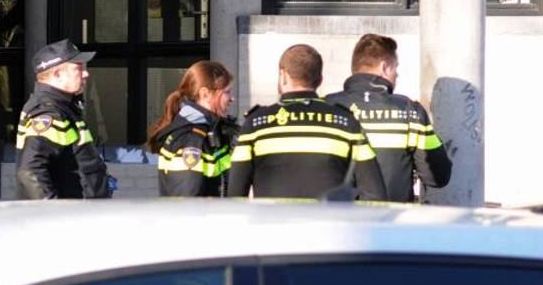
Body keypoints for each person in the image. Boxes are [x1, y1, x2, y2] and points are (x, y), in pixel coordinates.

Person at [227, 44, 387, 200]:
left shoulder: (255, 125)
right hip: (330, 226)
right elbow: (375, 195)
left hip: (272, 226)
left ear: (283, 76)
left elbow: (235, 195)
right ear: (320, 80)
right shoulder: (347, 123)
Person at [325, 33, 453, 202]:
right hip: (390, 221)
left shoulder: (327, 106)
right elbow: (438, 176)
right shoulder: (410, 111)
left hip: (337, 222)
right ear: (384, 67)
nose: (397, 75)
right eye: (395, 68)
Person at [15, 39, 111, 200]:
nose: (86, 74)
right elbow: (29, 171)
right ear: (57, 74)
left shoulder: (63, 106)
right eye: (78, 68)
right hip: (70, 218)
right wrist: (54, 212)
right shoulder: (49, 113)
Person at [147, 61, 237, 197]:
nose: (232, 98)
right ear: (205, 94)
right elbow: (188, 203)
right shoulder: (191, 140)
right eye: (226, 92)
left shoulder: (209, 131)